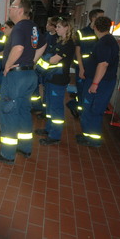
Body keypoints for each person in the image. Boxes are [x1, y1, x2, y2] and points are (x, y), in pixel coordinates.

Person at [0, 0, 46, 164]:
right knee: (23, 111)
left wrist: (7, 66)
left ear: (20, 10)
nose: (9, 9)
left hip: (16, 76)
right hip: (29, 75)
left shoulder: (19, 27)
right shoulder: (33, 27)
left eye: (12, 6)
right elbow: (43, 44)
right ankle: (25, 147)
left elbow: (19, 48)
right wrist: (32, 61)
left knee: (8, 112)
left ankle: (7, 154)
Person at [76, 16, 119, 147]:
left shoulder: (104, 43)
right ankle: (88, 135)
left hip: (100, 83)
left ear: (95, 27)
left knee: (93, 109)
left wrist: (95, 84)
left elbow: (103, 64)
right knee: (89, 109)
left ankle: (93, 140)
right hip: (102, 81)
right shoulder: (109, 40)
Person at [35, 16, 75, 145]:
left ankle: (55, 135)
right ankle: (48, 129)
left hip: (58, 79)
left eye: (59, 27)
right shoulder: (60, 42)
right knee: (50, 106)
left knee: (56, 108)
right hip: (50, 77)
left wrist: (41, 61)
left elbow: (52, 60)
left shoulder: (68, 44)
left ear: (67, 28)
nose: (56, 29)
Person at [66, 9, 104, 118]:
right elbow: (78, 52)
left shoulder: (101, 33)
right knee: (82, 92)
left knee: (89, 93)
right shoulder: (81, 32)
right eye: (101, 17)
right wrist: (81, 69)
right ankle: (79, 111)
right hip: (83, 68)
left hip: (96, 69)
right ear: (93, 18)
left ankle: (81, 111)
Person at [32, 16, 59, 115]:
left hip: (50, 69)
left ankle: (45, 110)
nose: (46, 26)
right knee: (37, 86)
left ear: (54, 26)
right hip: (40, 66)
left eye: (49, 24)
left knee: (46, 89)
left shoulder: (57, 39)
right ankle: (36, 106)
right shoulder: (46, 35)